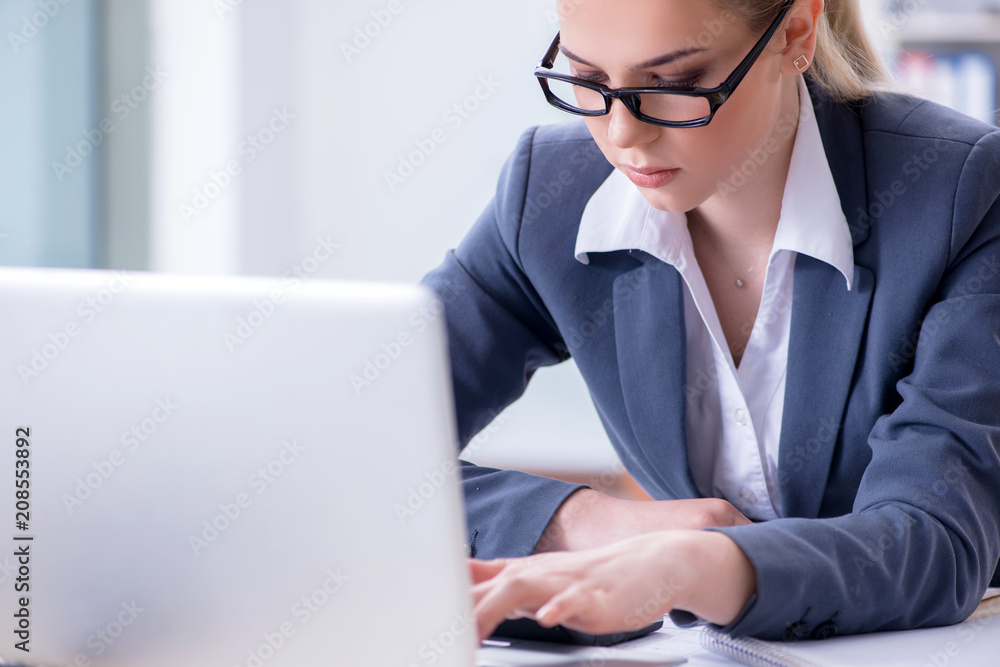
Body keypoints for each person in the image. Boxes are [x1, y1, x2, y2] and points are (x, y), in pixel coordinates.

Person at [419, 0, 1000, 642]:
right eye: (586, 81)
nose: (622, 135)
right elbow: (352, 450)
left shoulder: (963, 191)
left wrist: (697, 566)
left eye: (669, 85)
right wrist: (580, 523)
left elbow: (937, 538)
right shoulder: (547, 194)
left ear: (795, 33)